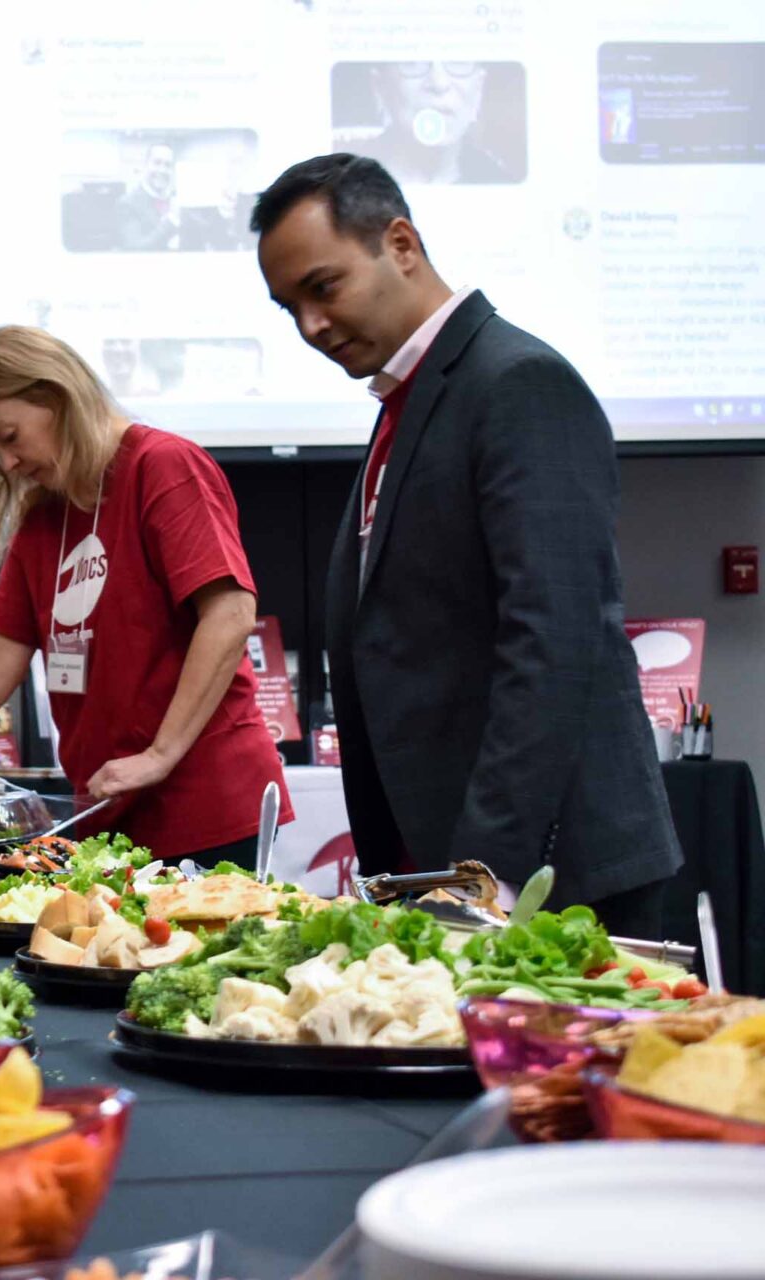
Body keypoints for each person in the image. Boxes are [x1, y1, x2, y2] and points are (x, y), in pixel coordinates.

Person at [250, 153, 680, 933]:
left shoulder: (518, 383)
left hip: (549, 874)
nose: (311, 326)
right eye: (289, 308)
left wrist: (482, 874)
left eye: (324, 287)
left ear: (402, 245)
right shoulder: (407, 400)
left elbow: (553, 641)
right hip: (449, 863)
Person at [0, 326, 291, 862]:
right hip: (110, 808)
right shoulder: (45, 514)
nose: (7, 463)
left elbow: (230, 613)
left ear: (55, 396)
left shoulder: (162, 466)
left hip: (206, 806)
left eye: (9, 436)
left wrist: (160, 754)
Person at [354, 61, 514, 185]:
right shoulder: (348, 181)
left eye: (457, 62)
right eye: (414, 63)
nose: (439, 83)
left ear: (479, 86)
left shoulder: (504, 182)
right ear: (380, 86)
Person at [117, 143, 181, 252]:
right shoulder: (127, 203)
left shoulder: (177, 201)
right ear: (145, 165)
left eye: (168, 165)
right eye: (157, 163)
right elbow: (135, 249)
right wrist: (170, 221)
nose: (162, 170)